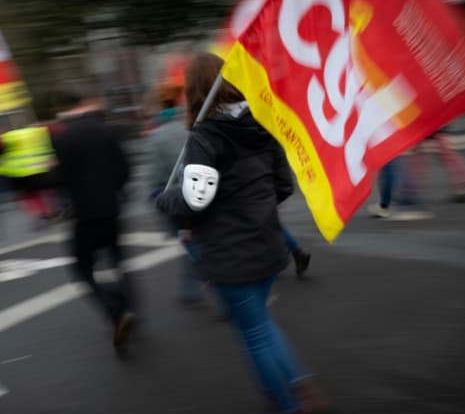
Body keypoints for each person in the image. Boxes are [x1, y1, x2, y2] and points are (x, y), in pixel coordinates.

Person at [156, 53, 329, 413]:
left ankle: (288, 405)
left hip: (230, 253)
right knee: (262, 324)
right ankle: (300, 385)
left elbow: (194, 202)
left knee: (254, 335)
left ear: (194, 91)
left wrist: (165, 199)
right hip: (266, 245)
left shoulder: (206, 135)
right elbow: (283, 185)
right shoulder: (262, 124)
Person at [45, 82, 135, 351]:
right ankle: (130, 309)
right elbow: (124, 169)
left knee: (82, 270)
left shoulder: (63, 138)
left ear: (62, 107)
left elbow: (60, 179)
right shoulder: (104, 129)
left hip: (84, 215)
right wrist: (113, 192)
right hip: (111, 209)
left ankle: (115, 308)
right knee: (118, 262)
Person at [145, 82, 203, 303]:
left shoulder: (156, 137)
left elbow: (154, 177)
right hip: (199, 192)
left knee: (191, 244)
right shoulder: (190, 126)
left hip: (176, 200)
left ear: (159, 105)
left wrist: (155, 199)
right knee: (194, 241)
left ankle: (219, 291)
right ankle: (189, 290)